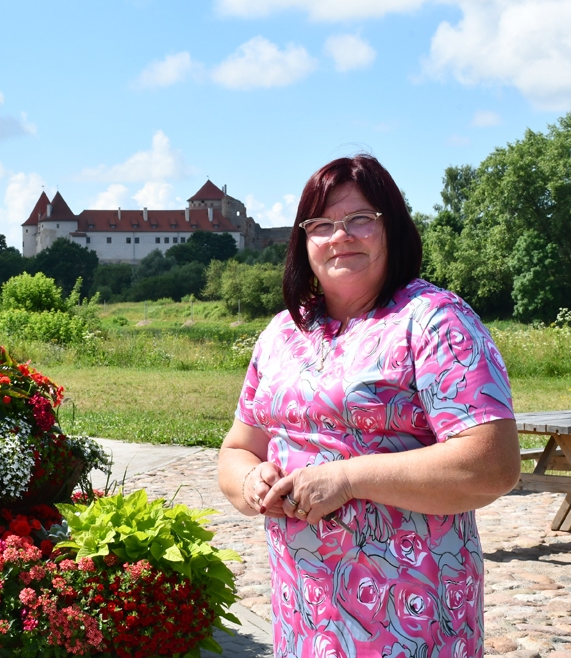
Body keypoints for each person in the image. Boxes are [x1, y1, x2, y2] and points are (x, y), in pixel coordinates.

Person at [218, 154, 520, 657]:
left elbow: (493, 465)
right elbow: (237, 449)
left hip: (414, 615)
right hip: (305, 614)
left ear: (391, 229)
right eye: (322, 224)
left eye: (360, 219)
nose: (341, 235)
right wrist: (250, 481)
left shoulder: (433, 321)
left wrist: (347, 478)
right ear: (303, 241)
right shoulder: (281, 334)